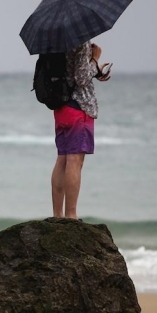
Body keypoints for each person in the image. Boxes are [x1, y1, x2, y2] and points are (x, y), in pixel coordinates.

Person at [50, 41, 110, 219]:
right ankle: (71, 215)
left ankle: (57, 214)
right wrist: (94, 59)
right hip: (79, 107)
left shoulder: (54, 40)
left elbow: (69, 72)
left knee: (62, 160)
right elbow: (81, 78)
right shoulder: (80, 40)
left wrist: (95, 70)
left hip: (61, 106)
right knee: (75, 161)